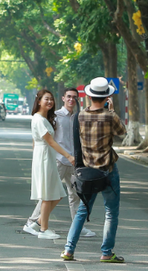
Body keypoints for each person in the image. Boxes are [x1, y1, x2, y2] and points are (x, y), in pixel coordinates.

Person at [61, 77, 127, 263]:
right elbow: (122, 131)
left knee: (82, 210)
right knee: (111, 213)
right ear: (106, 97)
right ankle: (106, 253)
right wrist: (111, 109)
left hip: (88, 172)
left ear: (89, 96)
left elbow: (77, 144)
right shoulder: (110, 116)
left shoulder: (79, 116)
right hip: (108, 170)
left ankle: (68, 250)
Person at [23, 88, 96, 238]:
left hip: (74, 160)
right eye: (68, 96)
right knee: (48, 193)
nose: (71, 99)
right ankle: (33, 223)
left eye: (74, 97)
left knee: (76, 194)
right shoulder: (53, 116)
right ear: (63, 98)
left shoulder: (77, 117)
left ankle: (78, 226)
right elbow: (46, 139)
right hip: (56, 159)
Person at [29, 89, 75, 240]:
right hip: (44, 157)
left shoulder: (44, 119)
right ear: (39, 101)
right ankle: (44, 229)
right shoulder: (38, 119)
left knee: (57, 194)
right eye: (46, 99)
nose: (49, 102)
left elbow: (35, 142)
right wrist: (68, 156)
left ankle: (38, 222)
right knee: (48, 195)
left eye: (51, 99)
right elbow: (50, 141)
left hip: (45, 156)